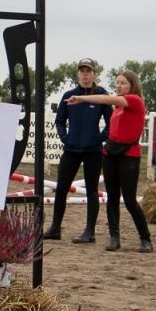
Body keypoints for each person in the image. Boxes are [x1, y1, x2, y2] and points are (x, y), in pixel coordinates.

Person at [68, 70, 153, 253]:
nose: (119, 86)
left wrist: (83, 99)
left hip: (129, 154)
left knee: (129, 200)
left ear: (132, 85)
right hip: (110, 152)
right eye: (117, 83)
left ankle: (145, 238)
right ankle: (114, 238)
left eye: (123, 83)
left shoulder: (134, 100)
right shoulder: (119, 107)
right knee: (112, 198)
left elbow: (108, 99)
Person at [46, 58, 111, 243]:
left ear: (94, 74)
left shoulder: (101, 95)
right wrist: (65, 138)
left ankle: (89, 232)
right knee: (61, 188)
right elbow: (59, 121)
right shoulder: (69, 95)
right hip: (71, 150)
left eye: (88, 71)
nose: (85, 74)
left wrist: (99, 138)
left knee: (92, 190)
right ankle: (55, 228)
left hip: (93, 151)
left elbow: (110, 122)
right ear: (78, 74)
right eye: (82, 70)